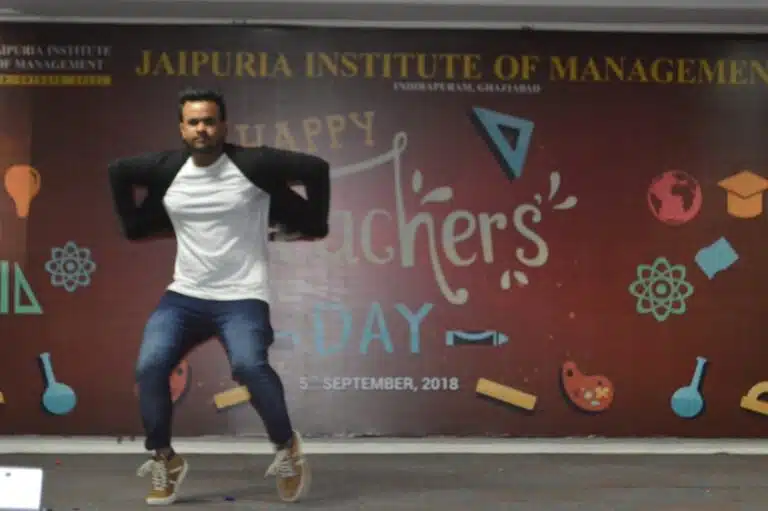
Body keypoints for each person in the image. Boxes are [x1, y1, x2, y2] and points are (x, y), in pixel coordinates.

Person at [107, 87, 330, 505]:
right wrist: (133, 226)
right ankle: (165, 459)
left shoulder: (252, 165)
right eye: (193, 122)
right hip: (184, 295)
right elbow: (118, 171)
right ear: (182, 128)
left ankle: (287, 448)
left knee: (249, 365)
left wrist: (315, 223)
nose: (202, 129)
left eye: (209, 121)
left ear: (223, 126)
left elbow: (316, 169)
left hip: (242, 296)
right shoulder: (168, 172)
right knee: (151, 366)